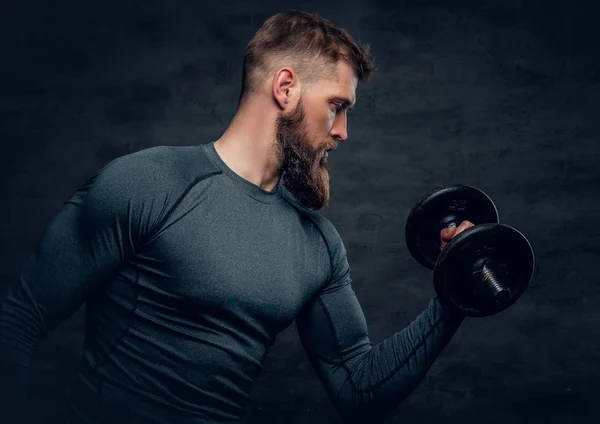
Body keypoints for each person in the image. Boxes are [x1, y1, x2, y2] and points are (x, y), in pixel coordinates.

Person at [0, 10, 474, 424]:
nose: (343, 132)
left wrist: (452, 296)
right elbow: (20, 318)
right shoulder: (148, 184)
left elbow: (360, 392)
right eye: (337, 107)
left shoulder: (317, 245)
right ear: (286, 87)